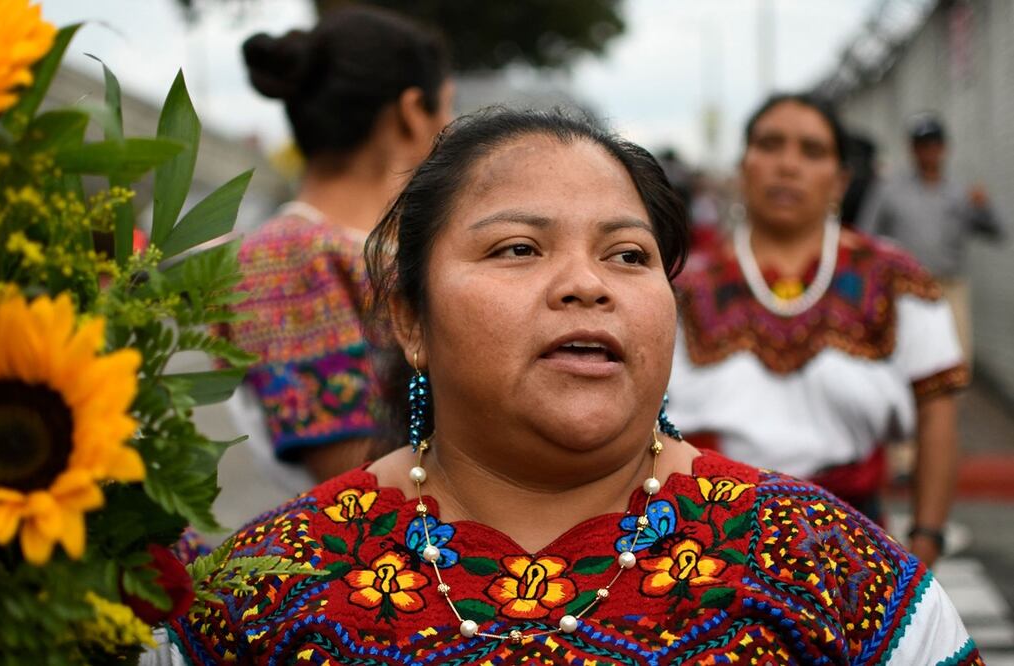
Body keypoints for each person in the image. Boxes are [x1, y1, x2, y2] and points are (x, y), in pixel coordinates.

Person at [165, 109, 981, 664]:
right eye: (518, 248)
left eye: (627, 256)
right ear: (409, 318)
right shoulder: (260, 590)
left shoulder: (831, 571)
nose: (586, 285)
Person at [669, 93, 968, 568]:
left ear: (840, 179)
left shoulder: (894, 277)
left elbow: (937, 406)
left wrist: (925, 541)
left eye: (811, 151)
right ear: (743, 166)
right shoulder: (684, 288)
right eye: (770, 145)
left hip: (854, 547)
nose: (788, 165)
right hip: (712, 551)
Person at [229, 6, 453, 486]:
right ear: (413, 113)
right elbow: (350, 475)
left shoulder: (403, 246)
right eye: (446, 108)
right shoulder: (287, 257)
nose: (452, 128)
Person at [858, 113, 1005, 365]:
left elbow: (996, 231)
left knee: (954, 360)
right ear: (912, 149)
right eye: (922, 145)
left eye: (934, 144)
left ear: (944, 148)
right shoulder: (889, 189)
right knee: (905, 356)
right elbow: (865, 235)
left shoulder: (959, 193)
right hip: (903, 288)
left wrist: (985, 207)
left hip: (948, 288)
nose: (928, 151)